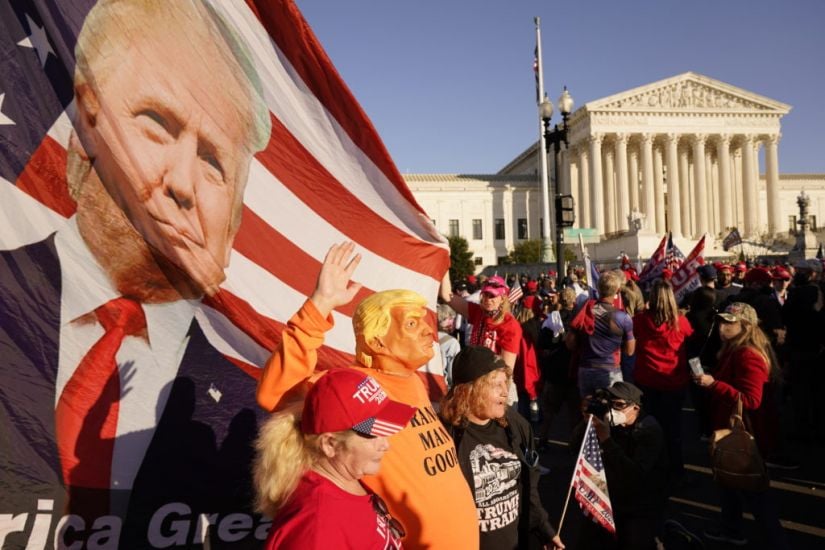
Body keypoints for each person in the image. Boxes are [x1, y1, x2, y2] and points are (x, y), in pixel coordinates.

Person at [0, 1, 271, 545]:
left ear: (236, 219)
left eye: (215, 162)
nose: (181, 183)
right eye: (155, 124)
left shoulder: (252, 395)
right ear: (84, 132)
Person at [257, 242, 479, 549]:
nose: (429, 331)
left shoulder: (413, 380)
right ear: (377, 342)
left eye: (425, 322)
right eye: (412, 324)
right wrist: (320, 305)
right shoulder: (356, 387)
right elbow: (275, 392)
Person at [255, 368, 416, 549]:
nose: (386, 445)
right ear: (330, 444)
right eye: (373, 436)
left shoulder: (345, 482)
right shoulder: (318, 527)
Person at [439, 346, 565, 550]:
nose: (505, 392)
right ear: (469, 390)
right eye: (496, 385)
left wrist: (543, 528)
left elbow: (529, 486)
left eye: (505, 383)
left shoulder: (516, 426)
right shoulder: (444, 437)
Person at [693, 303, 789, 549]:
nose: (722, 327)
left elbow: (751, 401)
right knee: (730, 484)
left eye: (730, 322)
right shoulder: (734, 349)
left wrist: (714, 384)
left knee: (754, 492)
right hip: (732, 433)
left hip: (745, 436)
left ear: (745, 326)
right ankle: (731, 529)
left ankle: (776, 541)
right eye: (722, 321)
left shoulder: (747, 354)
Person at [578, 382, 668, 550]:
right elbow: (575, 448)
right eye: (610, 404)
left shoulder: (648, 430)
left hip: (641, 503)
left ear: (635, 408)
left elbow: (635, 475)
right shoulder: (610, 423)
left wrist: (606, 440)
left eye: (619, 405)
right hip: (611, 497)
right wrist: (587, 422)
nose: (613, 410)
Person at [632, 279, 693, 481]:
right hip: (673, 382)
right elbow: (691, 344)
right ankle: (676, 471)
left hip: (647, 380)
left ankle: (652, 469)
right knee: (673, 429)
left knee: (649, 426)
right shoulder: (681, 322)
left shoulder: (639, 321)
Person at [441, 274, 523, 405]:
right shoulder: (479, 312)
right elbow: (447, 296)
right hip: (476, 383)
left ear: (502, 298)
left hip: (497, 386)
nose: (487, 299)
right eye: (485, 295)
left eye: (492, 296)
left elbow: (506, 370)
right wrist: (444, 263)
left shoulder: (510, 325)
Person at [568, 270, 636, 399]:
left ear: (598, 289)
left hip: (586, 369)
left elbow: (570, 343)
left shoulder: (584, 311)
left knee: (588, 412)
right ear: (617, 290)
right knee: (610, 413)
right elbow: (630, 351)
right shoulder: (623, 318)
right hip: (610, 370)